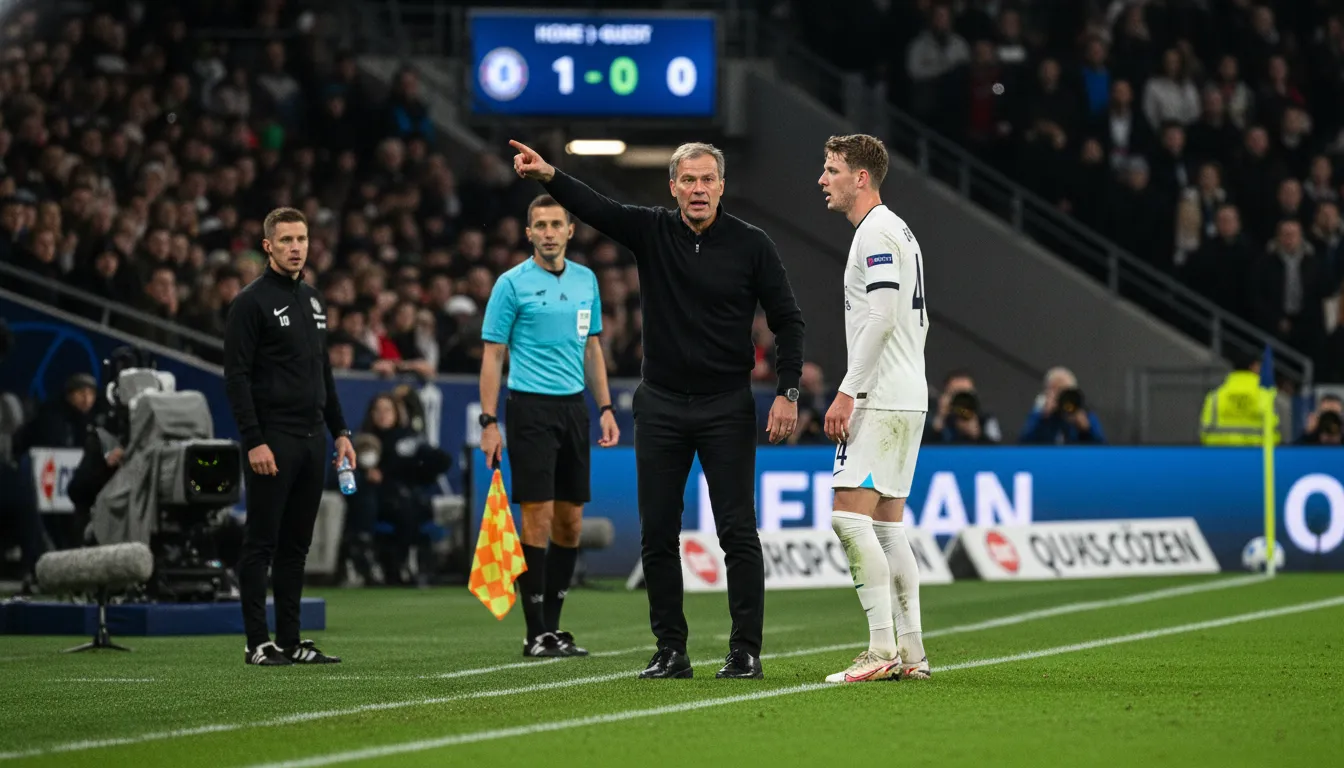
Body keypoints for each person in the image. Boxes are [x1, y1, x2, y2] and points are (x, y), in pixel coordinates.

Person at [510, 139, 805, 680]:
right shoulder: (651, 229)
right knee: (657, 533)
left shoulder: (752, 245)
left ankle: (745, 651)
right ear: (673, 187)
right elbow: (597, 207)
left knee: (737, 531)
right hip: (663, 404)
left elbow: (789, 319)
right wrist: (549, 174)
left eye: (706, 180)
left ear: (721, 185)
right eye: (687, 181)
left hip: (726, 405)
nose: (697, 190)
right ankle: (671, 649)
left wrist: (787, 392)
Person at [478, 194, 619, 659]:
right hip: (530, 409)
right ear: (529, 233)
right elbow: (493, 354)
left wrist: (604, 407)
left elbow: (592, 347)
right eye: (540, 225)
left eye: (556, 224)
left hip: (573, 409)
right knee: (536, 516)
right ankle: (534, 630)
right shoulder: (511, 284)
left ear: (570, 231)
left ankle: (553, 629)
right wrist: (489, 420)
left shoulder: (586, 280)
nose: (549, 232)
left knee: (571, 520)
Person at [817, 133, 931, 683]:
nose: (824, 179)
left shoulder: (877, 232)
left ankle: (881, 648)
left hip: (882, 394)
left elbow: (882, 318)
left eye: (833, 169)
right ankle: (911, 653)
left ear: (861, 178)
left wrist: (848, 390)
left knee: (847, 516)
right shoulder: (898, 230)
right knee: (888, 526)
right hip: (909, 394)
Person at [224, 207, 356, 666]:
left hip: (312, 438)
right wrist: (254, 439)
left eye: (301, 239)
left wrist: (340, 430)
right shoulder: (250, 302)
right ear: (268, 246)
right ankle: (256, 642)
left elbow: (323, 373)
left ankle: (291, 640)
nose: (296, 247)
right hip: (273, 438)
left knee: (297, 545)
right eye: (286, 241)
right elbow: (236, 378)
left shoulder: (314, 300)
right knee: (261, 541)